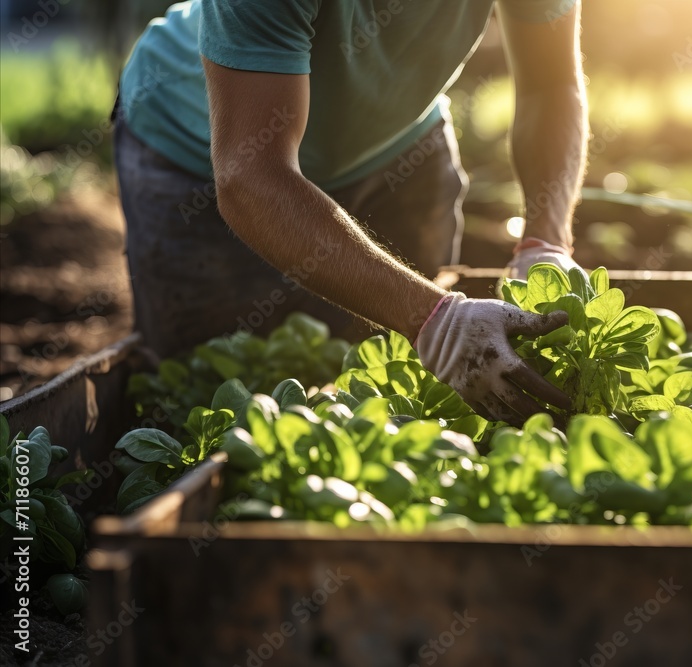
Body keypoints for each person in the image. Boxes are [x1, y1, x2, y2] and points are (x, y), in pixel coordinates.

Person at [113, 0, 588, 424]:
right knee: (204, 394)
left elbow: (551, 85)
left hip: (399, 143)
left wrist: (545, 242)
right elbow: (250, 178)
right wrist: (434, 319)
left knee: (402, 383)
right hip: (194, 150)